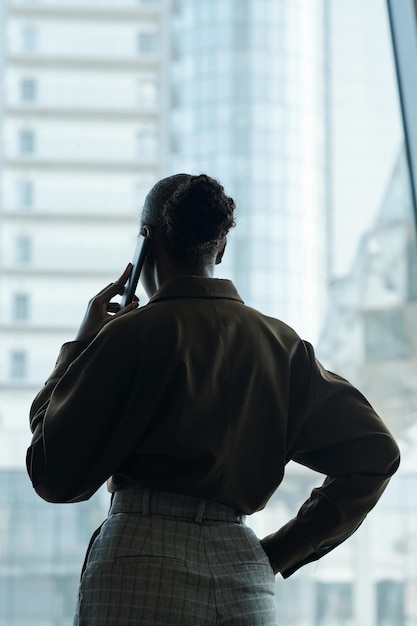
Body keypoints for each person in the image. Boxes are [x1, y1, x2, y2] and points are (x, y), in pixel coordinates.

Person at [27, 173, 400, 625]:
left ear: (147, 242)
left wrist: (80, 348)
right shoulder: (283, 347)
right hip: (242, 573)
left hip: (141, 562)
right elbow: (377, 454)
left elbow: (53, 474)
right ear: (219, 249)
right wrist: (276, 553)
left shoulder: (130, 335)